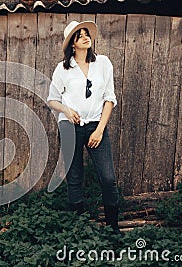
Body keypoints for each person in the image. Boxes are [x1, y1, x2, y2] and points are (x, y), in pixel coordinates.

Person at [47, 21, 122, 234]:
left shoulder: (103, 63)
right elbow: (52, 100)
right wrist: (67, 110)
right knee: (75, 177)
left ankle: (113, 228)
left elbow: (110, 98)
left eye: (86, 34)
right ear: (72, 44)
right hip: (70, 127)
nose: (85, 37)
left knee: (107, 177)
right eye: (79, 36)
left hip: (96, 126)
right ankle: (78, 229)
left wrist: (99, 129)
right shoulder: (63, 69)